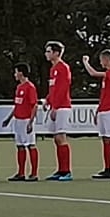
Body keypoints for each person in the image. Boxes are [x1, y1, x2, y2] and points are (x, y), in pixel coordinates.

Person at [82, 49, 110, 180]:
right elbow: (104, 94)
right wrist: (98, 110)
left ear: (107, 59)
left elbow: (93, 73)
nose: (101, 63)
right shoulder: (109, 73)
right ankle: (107, 169)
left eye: (102, 60)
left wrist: (86, 62)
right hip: (104, 108)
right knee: (105, 139)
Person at [43, 41, 74, 181]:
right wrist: (48, 100)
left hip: (62, 106)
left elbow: (63, 89)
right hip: (55, 105)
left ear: (56, 53)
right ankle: (61, 170)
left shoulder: (63, 68)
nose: (46, 54)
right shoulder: (53, 69)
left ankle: (67, 171)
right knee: (56, 138)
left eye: (49, 51)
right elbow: (53, 89)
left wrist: (55, 106)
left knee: (61, 137)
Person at [8, 62, 39, 182]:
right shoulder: (19, 87)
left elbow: (34, 105)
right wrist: (9, 118)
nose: (14, 74)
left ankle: (34, 173)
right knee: (20, 146)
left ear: (21, 73)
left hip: (26, 120)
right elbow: (17, 105)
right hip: (18, 120)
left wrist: (31, 122)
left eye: (16, 72)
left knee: (30, 145)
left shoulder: (30, 87)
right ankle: (21, 173)